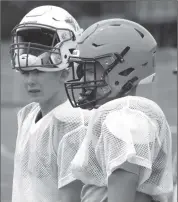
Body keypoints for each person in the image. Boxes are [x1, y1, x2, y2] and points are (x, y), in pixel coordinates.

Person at [65, 19, 174, 202]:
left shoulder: (123, 119)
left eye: (91, 69)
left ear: (123, 71)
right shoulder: (124, 116)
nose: (84, 79)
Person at [10, 5, 91, 202]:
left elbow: (70, 198)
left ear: (64, 72)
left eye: (39, 71)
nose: (30, 80)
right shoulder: (29, 114)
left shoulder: (72, 123)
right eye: (26, 72)